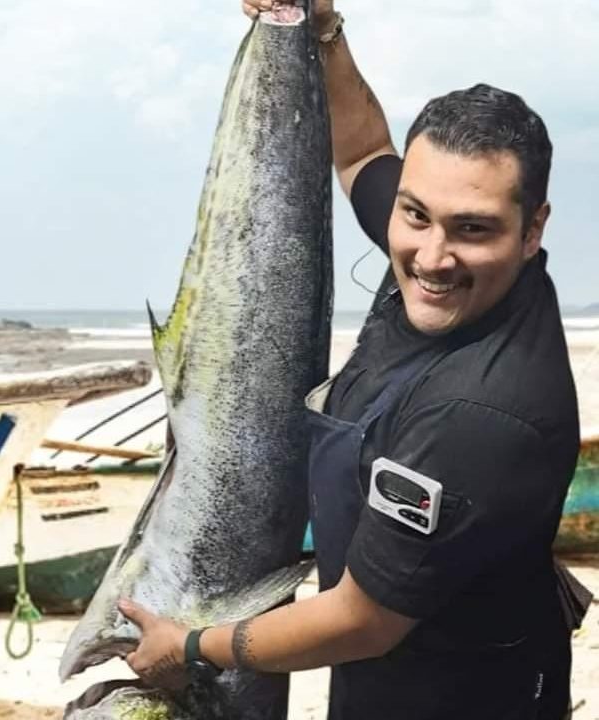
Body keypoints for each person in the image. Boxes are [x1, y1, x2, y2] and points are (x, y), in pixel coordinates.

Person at [117, 1, 587, 718]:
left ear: (533, 231)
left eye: (473, 230)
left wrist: (190, 645)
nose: (431, 259)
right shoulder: (444, 247)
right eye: (414, 215)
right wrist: (320, 29)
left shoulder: (477, 415)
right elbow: (363, 150)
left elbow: (361, 621)